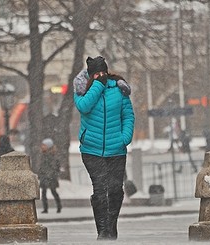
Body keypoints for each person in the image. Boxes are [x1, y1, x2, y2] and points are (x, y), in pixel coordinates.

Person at [73, 56, 134, 240]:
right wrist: (98, 85)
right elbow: (84, 107)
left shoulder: (119, 89)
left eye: (103, 73)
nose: (101, 76)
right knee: (100, 189)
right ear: (91, 75)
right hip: (92, 150)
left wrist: (124, 138)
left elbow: (128, 115)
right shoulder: (83, 90)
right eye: (96, 74)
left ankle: (111, 225)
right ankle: (103, 231)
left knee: (115, 189)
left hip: (117, 149)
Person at [38, 138, 62, 214]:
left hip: (51, 176)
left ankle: (59, 206)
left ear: (48, 146)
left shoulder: (52, 156)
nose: (42, 146)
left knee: (53, 191)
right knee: (44, 193)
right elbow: (42, 166)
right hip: (45, 176)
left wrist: (51, 174)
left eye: (44, 145)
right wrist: (40, 174)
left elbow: (55, 166)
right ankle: (45, 208)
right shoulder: (43, 155)